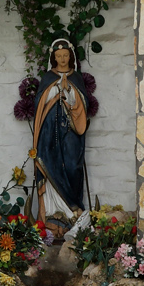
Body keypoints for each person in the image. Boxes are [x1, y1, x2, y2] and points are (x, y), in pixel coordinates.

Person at [29, 38, 96, 220]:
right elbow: (40, 103)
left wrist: (69, 92)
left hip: (72, 129)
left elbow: (83, 104)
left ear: (71, 56)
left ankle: (74, 210)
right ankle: (52, 212)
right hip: (49, 130)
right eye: (59, 56)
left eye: (66, 55)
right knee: (50, 163)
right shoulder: (49, 78)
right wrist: (58, 89)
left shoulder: (76, 78)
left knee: (73, 165)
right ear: (54, 57)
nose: (63, 59)